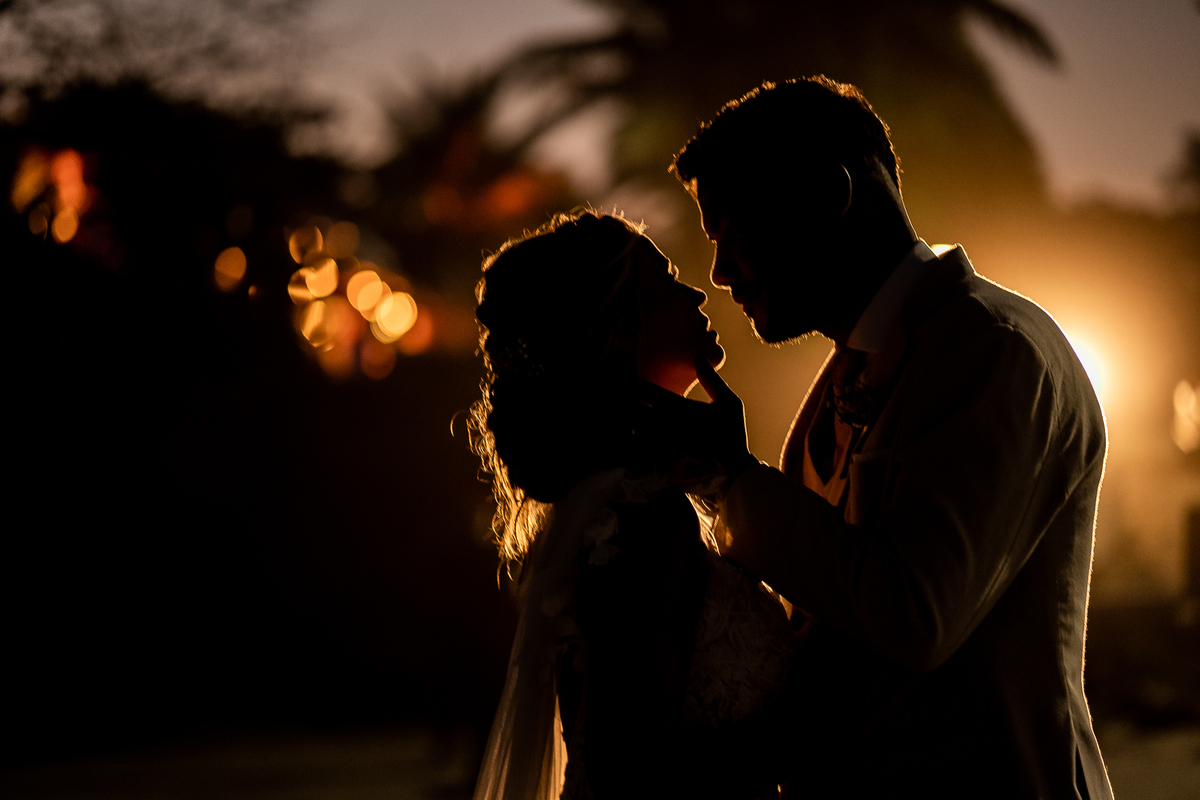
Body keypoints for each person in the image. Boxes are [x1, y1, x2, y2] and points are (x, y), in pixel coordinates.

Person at [655, 77, 1114, 798]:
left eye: (734, 234)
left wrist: (732, 478)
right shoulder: (843, 374)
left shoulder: (995, 349)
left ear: (831, 194)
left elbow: (913, 614)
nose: (720, 274)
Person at [469, 211, 794, 800]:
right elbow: (629, 770)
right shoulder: (643, 518)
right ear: (620, 328)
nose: (699, 292)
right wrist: (806, 737)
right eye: (668, 280)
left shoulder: (621, 503)